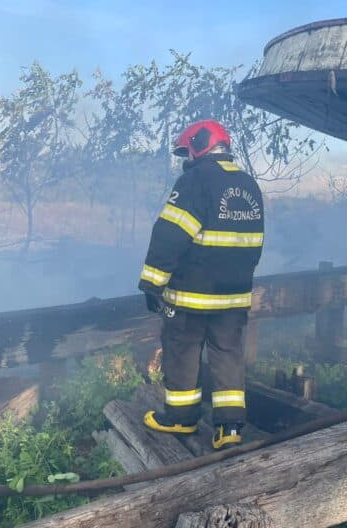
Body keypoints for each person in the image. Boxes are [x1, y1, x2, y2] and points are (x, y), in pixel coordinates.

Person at [138, 119, 264, 450]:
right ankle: (230, 429)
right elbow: (254, 245)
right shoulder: (249, 186)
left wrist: (152, 283)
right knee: (228, 354)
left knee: (182, 349)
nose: (186, 159)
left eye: (187, 151)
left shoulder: (195, 182)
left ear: (199, 145)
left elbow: (169, 236)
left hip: (192, 296)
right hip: (234, 296)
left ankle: (181, 418)